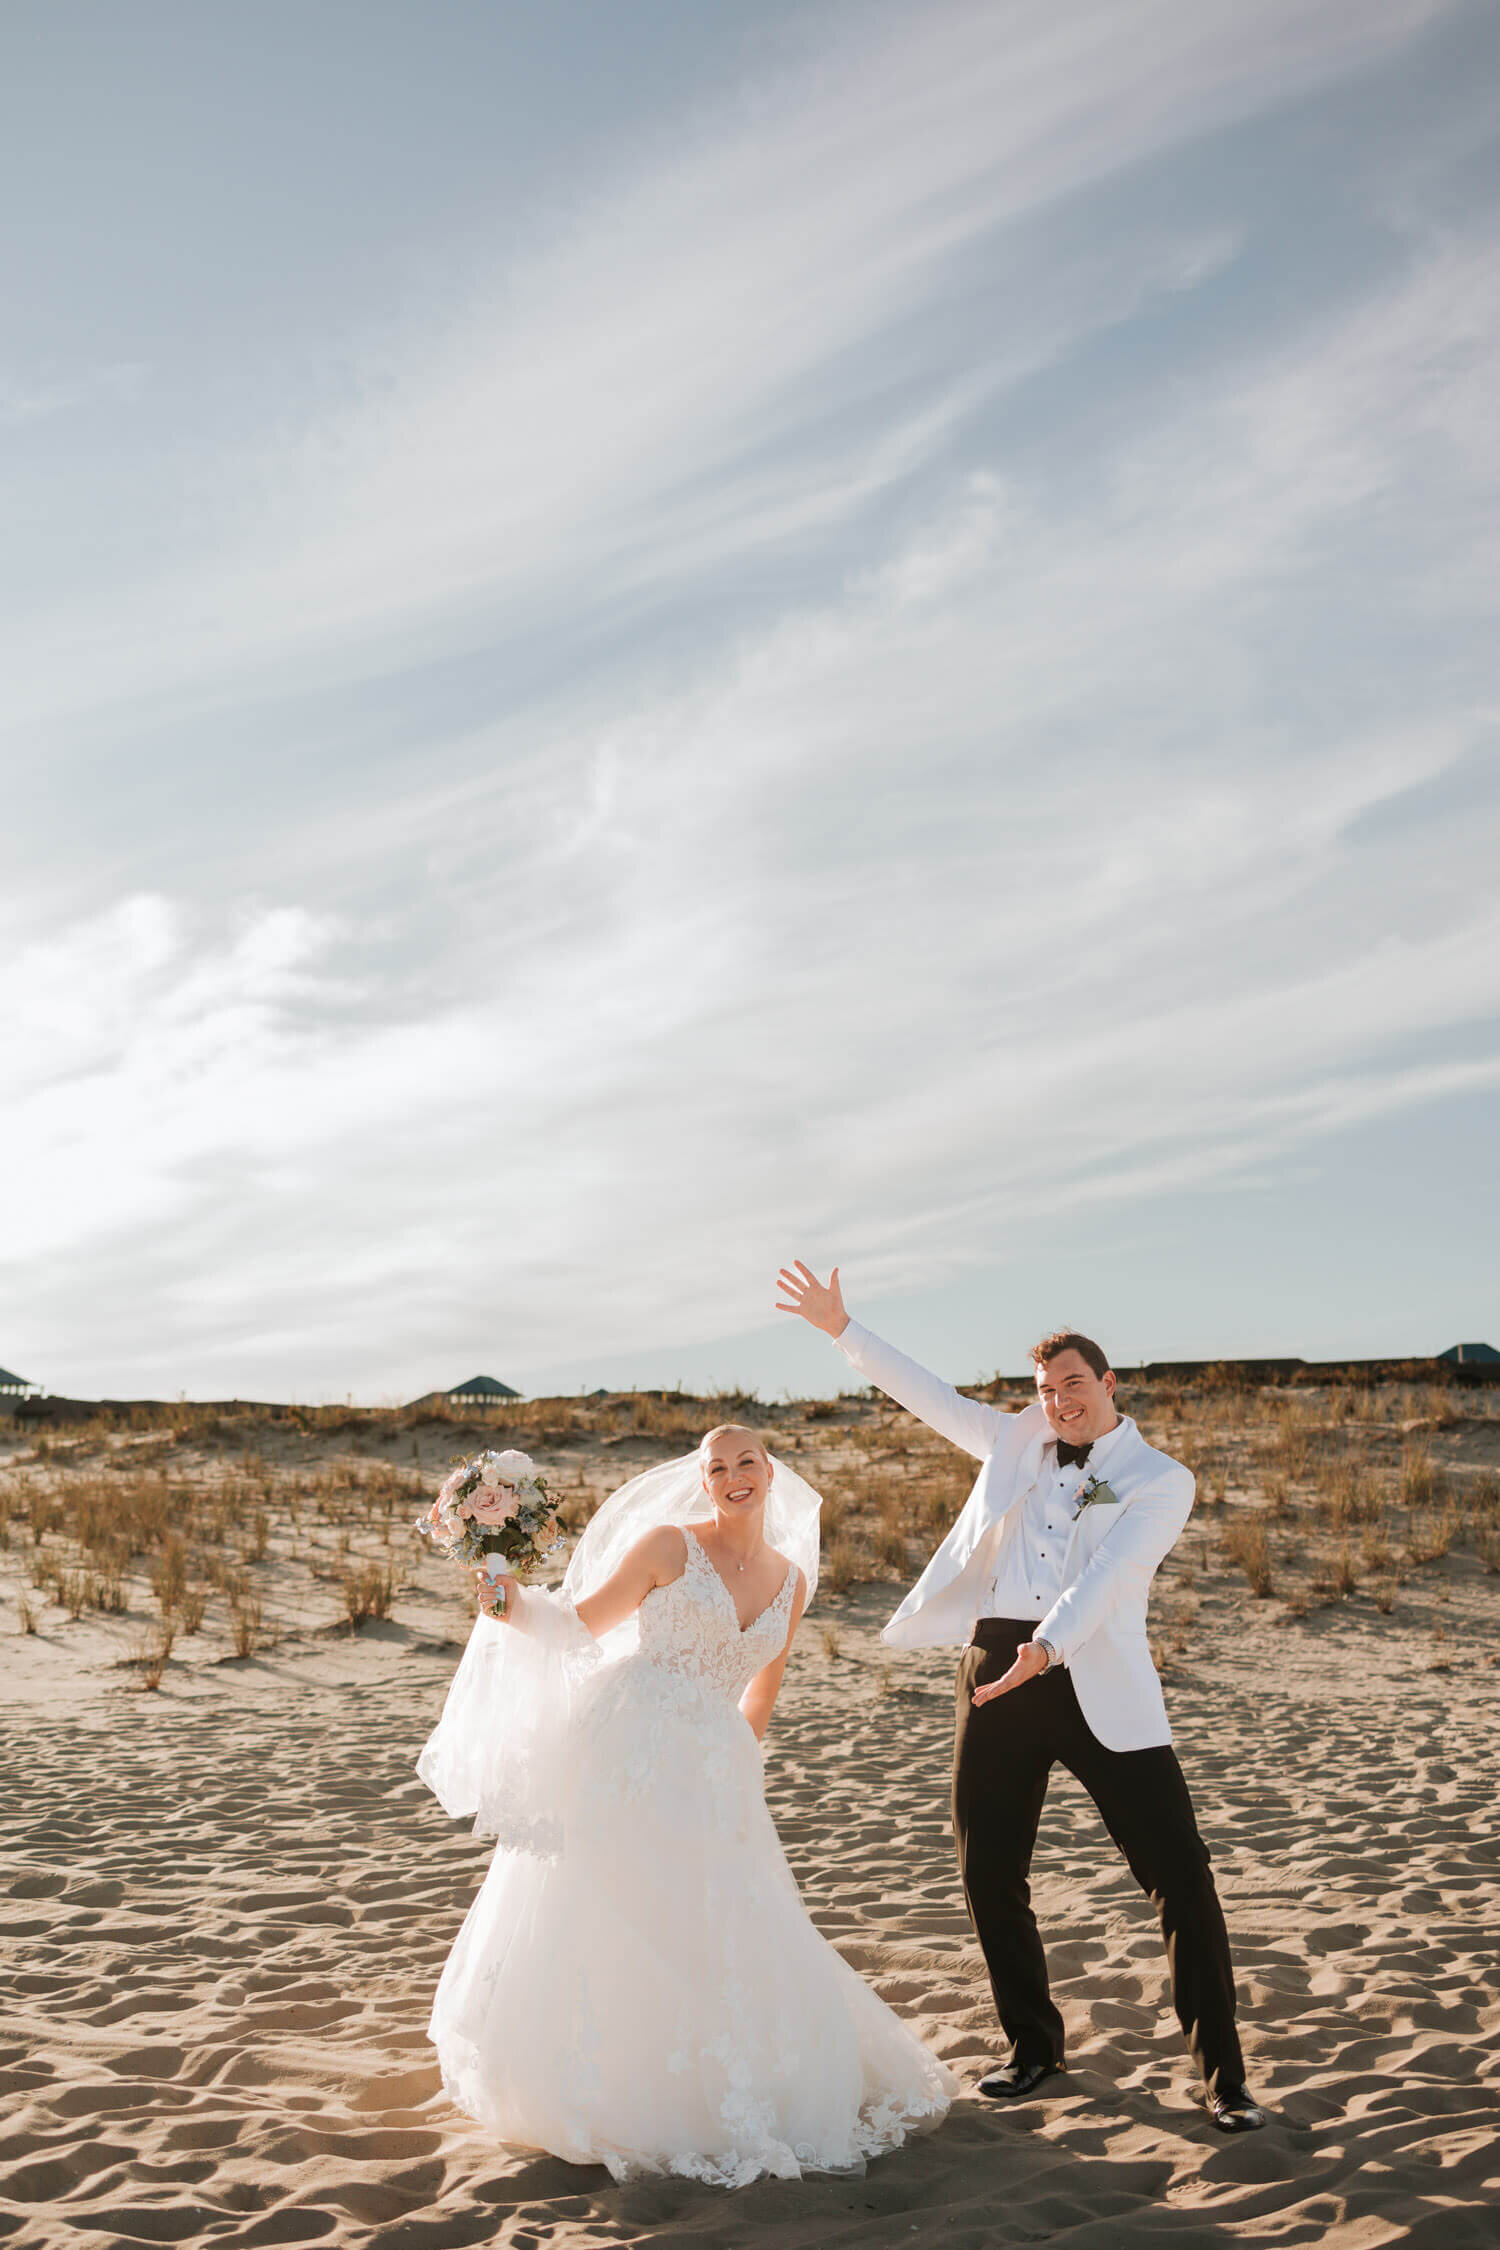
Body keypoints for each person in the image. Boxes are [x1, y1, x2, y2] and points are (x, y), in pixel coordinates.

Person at [776, 1263, 1266, 2134]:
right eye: (1045, 1389)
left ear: (1108, 1383)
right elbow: (928, 1396)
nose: (1059, 1400)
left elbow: (1114, 1577)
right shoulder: (1014, 1441)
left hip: (1095, 1678)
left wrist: (1047, 1650)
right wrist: (842, 1330)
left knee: (1180, 1877)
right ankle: (1033, 2049)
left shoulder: (1160, 1479)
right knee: (988, 1872)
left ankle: (1223, 2079)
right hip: (995, 1672)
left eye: (1073, 1382)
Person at [416, 1422, 954, 2186]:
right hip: (629, 1748)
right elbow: (580, 1626)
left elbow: (761, 1689)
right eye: (718, 1467)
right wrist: (511, 1605)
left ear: (771, 1473)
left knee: (721, 1922)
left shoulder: (792, 1581)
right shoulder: (669, 1546)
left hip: (714, 1764)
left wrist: (739, 1768)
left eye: (747, 1463)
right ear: (703, 1481)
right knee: (615, 1908)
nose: (734, 1476)